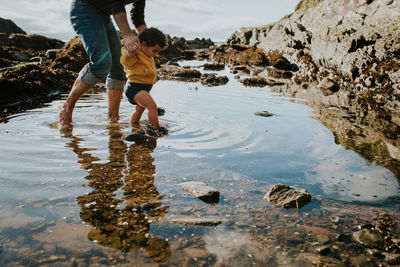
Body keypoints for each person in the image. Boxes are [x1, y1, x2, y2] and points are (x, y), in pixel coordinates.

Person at [58, 0, 147, 129]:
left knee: (118, 67)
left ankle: (113, 120)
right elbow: (116, 2)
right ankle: (66, 106)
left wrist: (150, 40)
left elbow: (137, 16)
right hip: (84, 9)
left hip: (104, 15)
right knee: (101, 63)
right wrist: (127, 34)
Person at [120, 27, 167, 127]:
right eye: (154, 51)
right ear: (143, 44)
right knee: (152, 106)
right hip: (134, 88)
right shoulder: (136, 54)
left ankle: (133, 124)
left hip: (143, 88)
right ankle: (156, 129)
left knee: (139, 110)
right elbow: (125, 62)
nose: (155, 54)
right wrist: (129, 53)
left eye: (157, 52)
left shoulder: (148, 55)